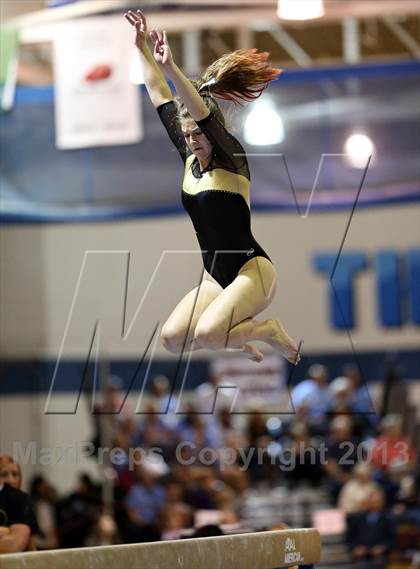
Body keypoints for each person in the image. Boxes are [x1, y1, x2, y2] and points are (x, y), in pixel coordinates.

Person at [124, 10, 300, 365]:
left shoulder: (230, 159)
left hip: (253, 272)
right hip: (214, 278)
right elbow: (160, 96)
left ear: (214, 132)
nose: (192, 141)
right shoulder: (190, 158)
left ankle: (266, 330)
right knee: (172, 339)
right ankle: (234, 337)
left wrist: (171, 67)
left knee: (207, 333)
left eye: (198, 135)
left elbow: (196, 110)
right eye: (187, 136)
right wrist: (141, 48)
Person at [0, 455, 35, 553]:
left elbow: (14, 545)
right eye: (4, 475)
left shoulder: (23, 501)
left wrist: (6, 531)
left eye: (15, 474)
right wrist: (8, 531)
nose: (11, 480)